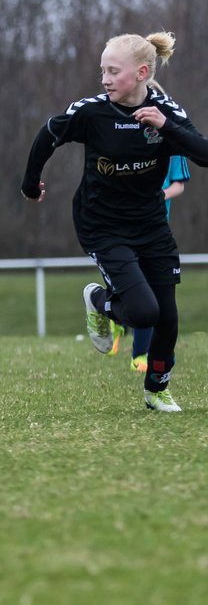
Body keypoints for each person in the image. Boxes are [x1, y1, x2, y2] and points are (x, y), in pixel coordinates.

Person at [21, 31, 208, 412]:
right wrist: (29, 182)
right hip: (101, 224)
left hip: (151, 224)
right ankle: (99, 299)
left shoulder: (166, 111)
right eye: (102, 70)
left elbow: (203, 153)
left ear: (141, 72)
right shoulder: (93, 112)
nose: (104, 79)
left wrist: (166, 128)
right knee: (143, 312)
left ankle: (156, 389)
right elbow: (49, 134)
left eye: (112, 71)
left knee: (167, 315)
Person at [114, 156, 189, 372]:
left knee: (151, 295)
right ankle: (114, 313)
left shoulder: (174, 138)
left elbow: (179, 185)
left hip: (156, 229)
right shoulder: (130, 138)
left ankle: (139, 355)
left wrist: (158, 196)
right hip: (123, 225)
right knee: (130, 286)